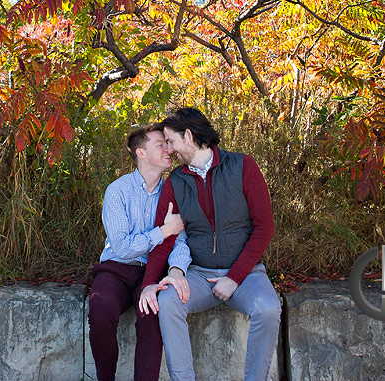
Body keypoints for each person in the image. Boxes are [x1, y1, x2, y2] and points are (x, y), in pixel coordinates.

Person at [137, 106, 281, 381]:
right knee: (167, 301)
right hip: (199, 275)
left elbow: (264, 228)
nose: (168, 150)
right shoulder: (176, 181)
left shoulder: (242, 166)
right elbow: (164, 238)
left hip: (245, 273)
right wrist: (149, 285)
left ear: (188, 136)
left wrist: (234, 278)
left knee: (268, 308)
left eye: (170, 141)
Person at [89, 122, 190, 381]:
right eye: (160, 145)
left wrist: (177, 270)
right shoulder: (118, 191)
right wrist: (162, 232)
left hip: (154, 270)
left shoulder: (174, 191)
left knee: (152, 314)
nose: (168, 149)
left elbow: (181, 241)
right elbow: (122, 248)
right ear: (141, 153)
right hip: (116, 270)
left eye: (168, 144)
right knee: (100, 309)